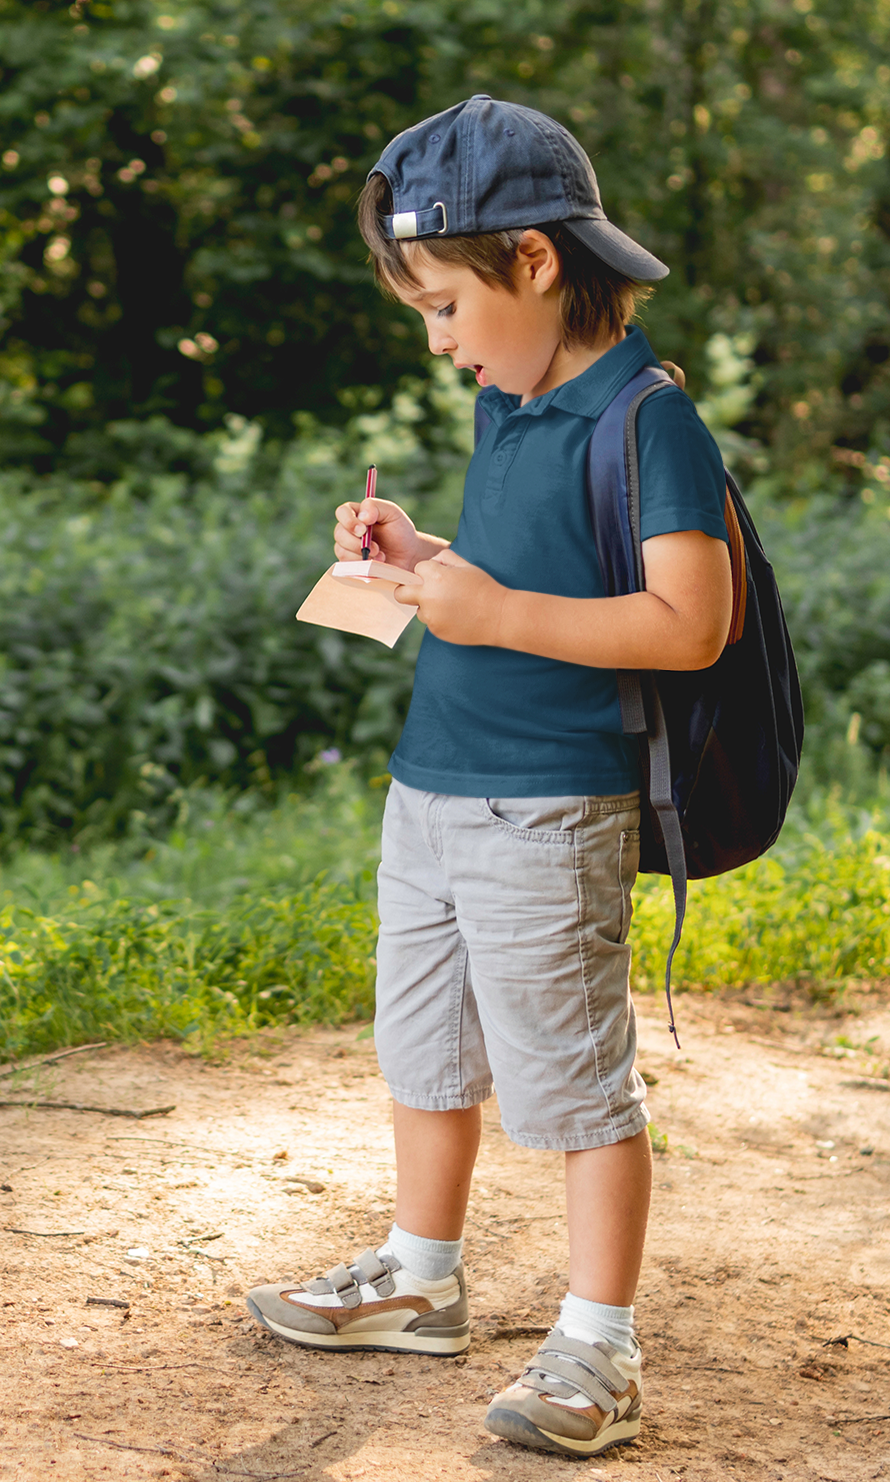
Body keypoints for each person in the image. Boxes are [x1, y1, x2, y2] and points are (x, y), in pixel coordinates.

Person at [243, 95, 734, 1458]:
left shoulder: (647, 420)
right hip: (434, 788)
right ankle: (418, 1271)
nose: (439, 342)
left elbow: (691, 621)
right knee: (426, 1048)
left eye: (446, 307)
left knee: (574, 1078)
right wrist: (420, 557)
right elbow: (514, 577)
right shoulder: (510, 412)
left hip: (548, 799)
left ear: (531, 259)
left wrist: (492, 611)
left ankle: (597, 1342)